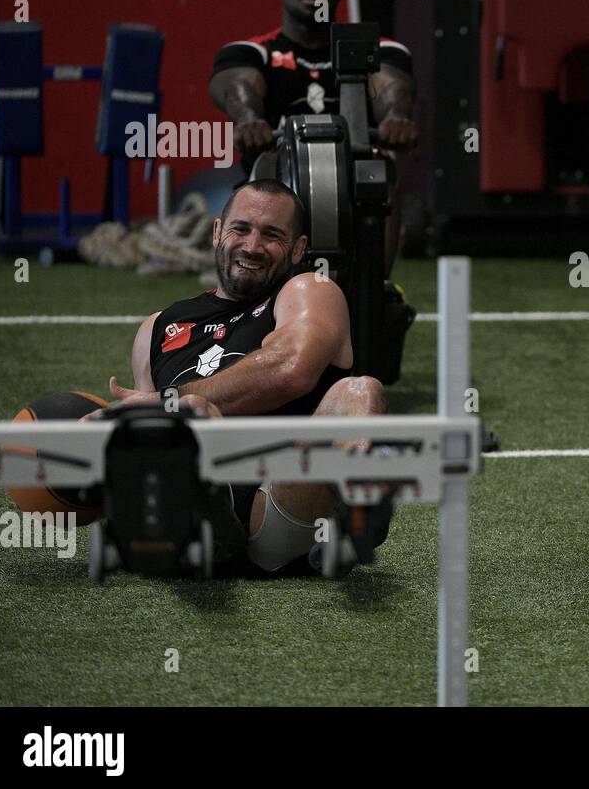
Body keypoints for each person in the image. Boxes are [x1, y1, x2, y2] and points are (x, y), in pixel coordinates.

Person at [93, 178, 386, 572]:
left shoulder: (308, 288)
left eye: (272, 235)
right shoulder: (157, 327)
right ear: (217, 232)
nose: (252, 246)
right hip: (189, 506)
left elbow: (291, 369)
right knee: (172, 423)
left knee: (361, 392)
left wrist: (172, 401)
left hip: (281, 508)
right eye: (241, 228)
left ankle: (358, 519)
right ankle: (209, 522)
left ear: (298, 248)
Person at [208, 0, 418, 274]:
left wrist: (395, 116)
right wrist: (248, 118)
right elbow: (238, 86)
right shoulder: (252, 52)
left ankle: (374, 293)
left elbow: (391, 85)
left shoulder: (377, 49)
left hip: (356, 197)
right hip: (277, 189)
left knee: (379, 171)